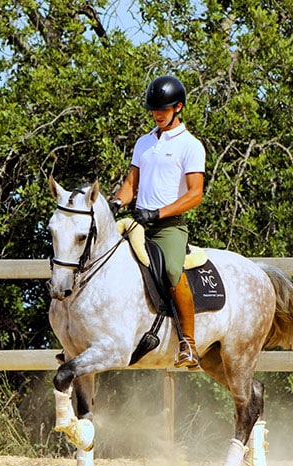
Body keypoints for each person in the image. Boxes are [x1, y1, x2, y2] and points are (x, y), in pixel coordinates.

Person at [109, 75, 205, 369]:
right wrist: (115, 203)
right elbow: (130, 183)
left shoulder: (190, 145)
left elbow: (195, 194)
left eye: (162, 109)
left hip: (169, 226)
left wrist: (159, 213)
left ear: (178, 108)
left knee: (173, 271)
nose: (157, 114)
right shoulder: (144, 142)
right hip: (138, 221)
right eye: (154, 109)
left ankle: (188, 342)